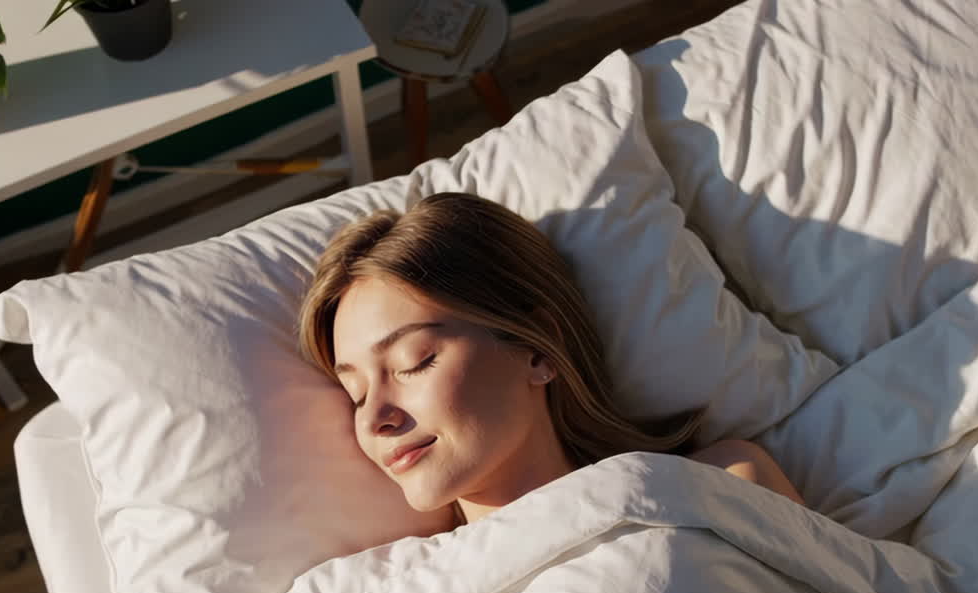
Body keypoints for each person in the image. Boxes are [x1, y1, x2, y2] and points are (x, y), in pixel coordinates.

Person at [297, 192, 805, 527]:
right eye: (355, 392)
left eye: (414, 361)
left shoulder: (721, 488)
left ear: (538, 347)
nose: (374, 417)